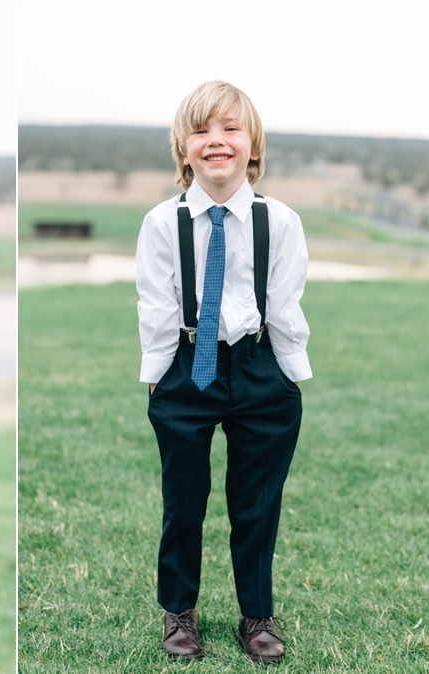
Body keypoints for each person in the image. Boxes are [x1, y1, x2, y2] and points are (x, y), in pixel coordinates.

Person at [137, 81, 311, 664]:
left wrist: (289, 376)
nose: (217, 141)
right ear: (183, 149)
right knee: (183, 500)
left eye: (231, 129)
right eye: (202, 130)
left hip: (259, 366)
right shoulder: (163, 223)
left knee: (257, 501)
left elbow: (286, 305)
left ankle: (256, 615)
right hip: (191, 365)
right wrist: (159, 377)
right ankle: (179, 614)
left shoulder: (279, 221)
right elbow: (156, 305)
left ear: (252, 145)